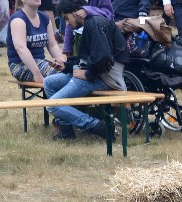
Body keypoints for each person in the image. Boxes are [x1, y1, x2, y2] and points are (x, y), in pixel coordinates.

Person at [44, 0, 129, 140]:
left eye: (67, 18)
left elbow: (103, 58)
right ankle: (66, 130)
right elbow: (86, 60)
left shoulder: (95, 23)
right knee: (49, 82)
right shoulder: (89, 24)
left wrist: (88, 74)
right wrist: (66, 66)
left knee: (53, 105)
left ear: (76, 11)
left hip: (105, 78)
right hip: (95, 74)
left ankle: (96, 126)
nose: (68, 23)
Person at [7, 0, 65, 82]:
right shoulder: (18, 20)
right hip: (20, 65)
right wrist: (37, 74)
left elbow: (52, 45)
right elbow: (21, 49)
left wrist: (62, 63)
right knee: (60, 75)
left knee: (69, 71)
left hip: (41, 62)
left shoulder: (44, 18)